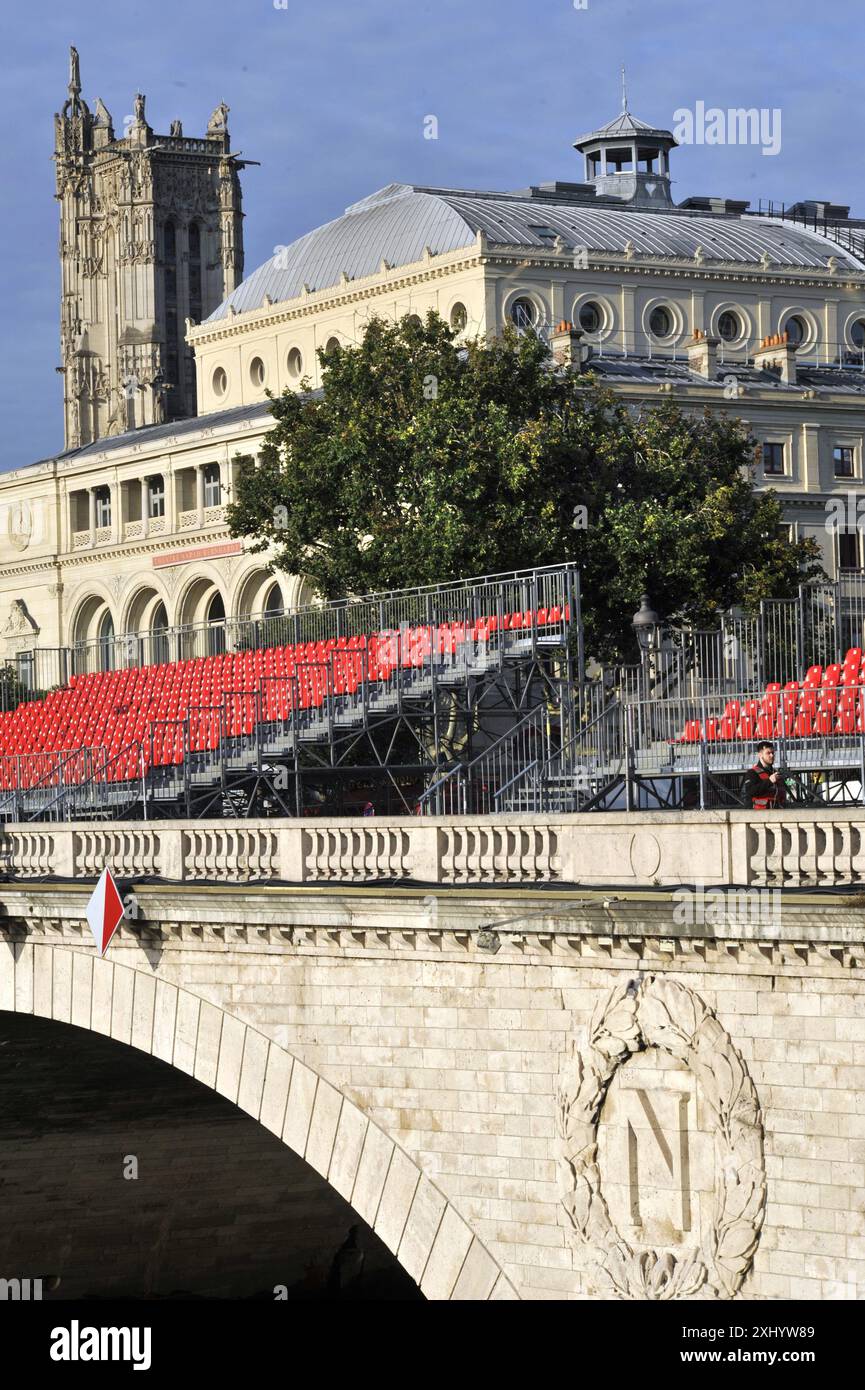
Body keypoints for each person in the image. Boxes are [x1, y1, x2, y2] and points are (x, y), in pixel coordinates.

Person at [743, 741, 786, 809]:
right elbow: (750, 791)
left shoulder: (775, 773)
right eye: (768, 753)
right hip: (759, 815)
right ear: (760, 755)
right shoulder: (752, 772)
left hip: (777, 814)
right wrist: (769, 781)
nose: (772, 755)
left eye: (772, 753)